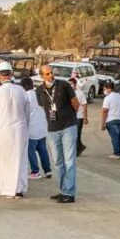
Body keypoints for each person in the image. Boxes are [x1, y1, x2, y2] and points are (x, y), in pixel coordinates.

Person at [35, 64, 79, 203]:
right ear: (41, 76)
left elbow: (75, 103)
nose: (50, 76)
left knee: (69, 161)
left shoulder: (64, 85)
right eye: (47, 74)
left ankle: (69, 193)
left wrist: (70, 117)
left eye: (51, 73)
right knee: (58, 162)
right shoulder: (39, 91)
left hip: (68, 126)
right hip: (52, 129)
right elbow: (44, 107)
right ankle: (63, 190)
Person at [0, 62, 30, 199]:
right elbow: (27, 111)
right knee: (19, 159)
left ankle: (4, 188)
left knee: (2, 159)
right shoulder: (21, 90)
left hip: (2, 129)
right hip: (19, 129)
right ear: (11, 74)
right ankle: (18, 189)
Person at [21, 76, 51, 179]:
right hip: (42, 127)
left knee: (31, 151)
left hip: (31, 129)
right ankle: (48, 170)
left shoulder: (26, 98)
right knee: (43, 150)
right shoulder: (40, 95)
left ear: (23, 87)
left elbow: (24, 114)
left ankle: (35, 171)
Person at [100, 79, 120, 159]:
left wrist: (103, 123)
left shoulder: (108, 98)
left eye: (104, 89)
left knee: (115, 137)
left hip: (111, 120)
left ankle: (117, 153)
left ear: (108, 89)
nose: (104, 91)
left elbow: (105, 111)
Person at [71, 76, 88, 157]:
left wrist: (85, 118)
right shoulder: (68, 93)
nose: (70, 85)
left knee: (77, 133)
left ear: (75, 84)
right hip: (70, 117)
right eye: (69, 84)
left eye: (71, 84)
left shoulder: (80, 93)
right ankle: (79, 147)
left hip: (79, 116)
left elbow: (84, 105)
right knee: (72, 134)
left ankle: (77, 149)